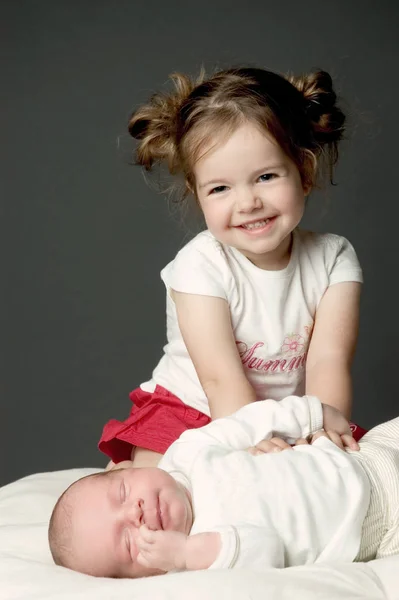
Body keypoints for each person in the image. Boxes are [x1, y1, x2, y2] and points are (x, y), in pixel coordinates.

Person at [99, 66, 365, 470]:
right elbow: (220, 379)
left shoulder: (333, 260)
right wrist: (254, 441)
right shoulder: (199, 266)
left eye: (266, 176)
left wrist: (318, 435)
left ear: (304, 172)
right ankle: (126, 474)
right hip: (196, 407)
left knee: (340, 478)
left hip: (293, 416)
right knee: (166, 485)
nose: (247, 203)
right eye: (220, 188)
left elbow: (327, 361)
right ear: (197, 193)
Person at [49, 394, 399, 578]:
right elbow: (265, 549)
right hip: (375, 524)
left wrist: (311, 413)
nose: (135, 513)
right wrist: (185, 554)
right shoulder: (204, 556)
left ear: (125, 468)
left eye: (122, 493)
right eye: (127, 542)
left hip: (360, 455)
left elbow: (248, 423)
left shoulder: (185, 454)